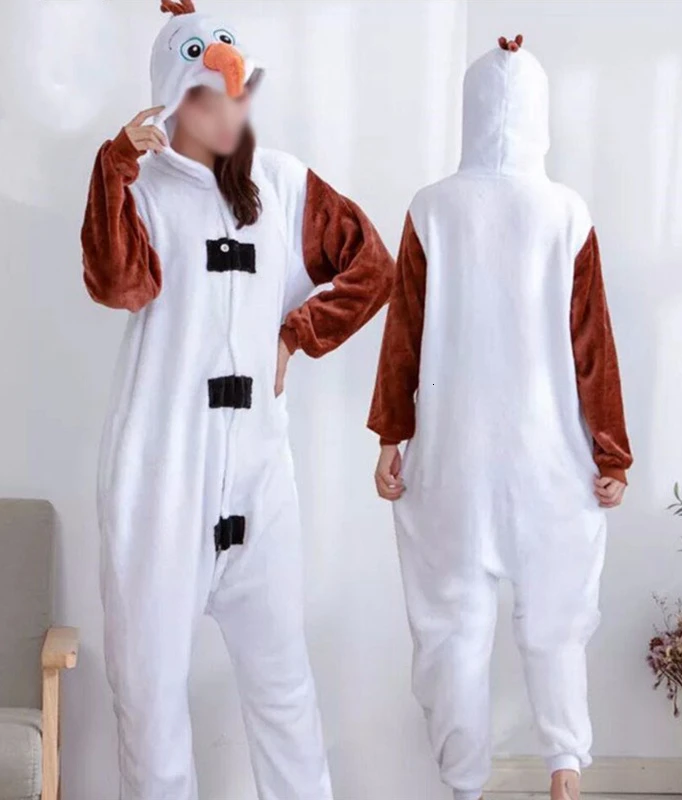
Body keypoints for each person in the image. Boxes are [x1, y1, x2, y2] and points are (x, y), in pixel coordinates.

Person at [81, 2, 394, 798]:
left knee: (283, 687)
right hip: (161, 475)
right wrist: (113, 167)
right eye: (206, 96)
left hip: (259, 480)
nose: (229, 111)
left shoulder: (282, 185)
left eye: (239, 91)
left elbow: (373, 265)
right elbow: (117, 283)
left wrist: (294, 334)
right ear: (171, 101)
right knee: (149, 697)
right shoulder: (143, 191)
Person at [367, 34, 632, 800]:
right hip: (550, 458)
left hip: (452, 461)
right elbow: (593, 343)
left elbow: (404, 332)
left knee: (450, 629)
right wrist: (611, 453)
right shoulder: (566, 211)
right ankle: (564, 766)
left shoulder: (433, 208)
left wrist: (392, 435)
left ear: (471, 111)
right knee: (555, 623)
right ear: (538, 115)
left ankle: (463, 787)